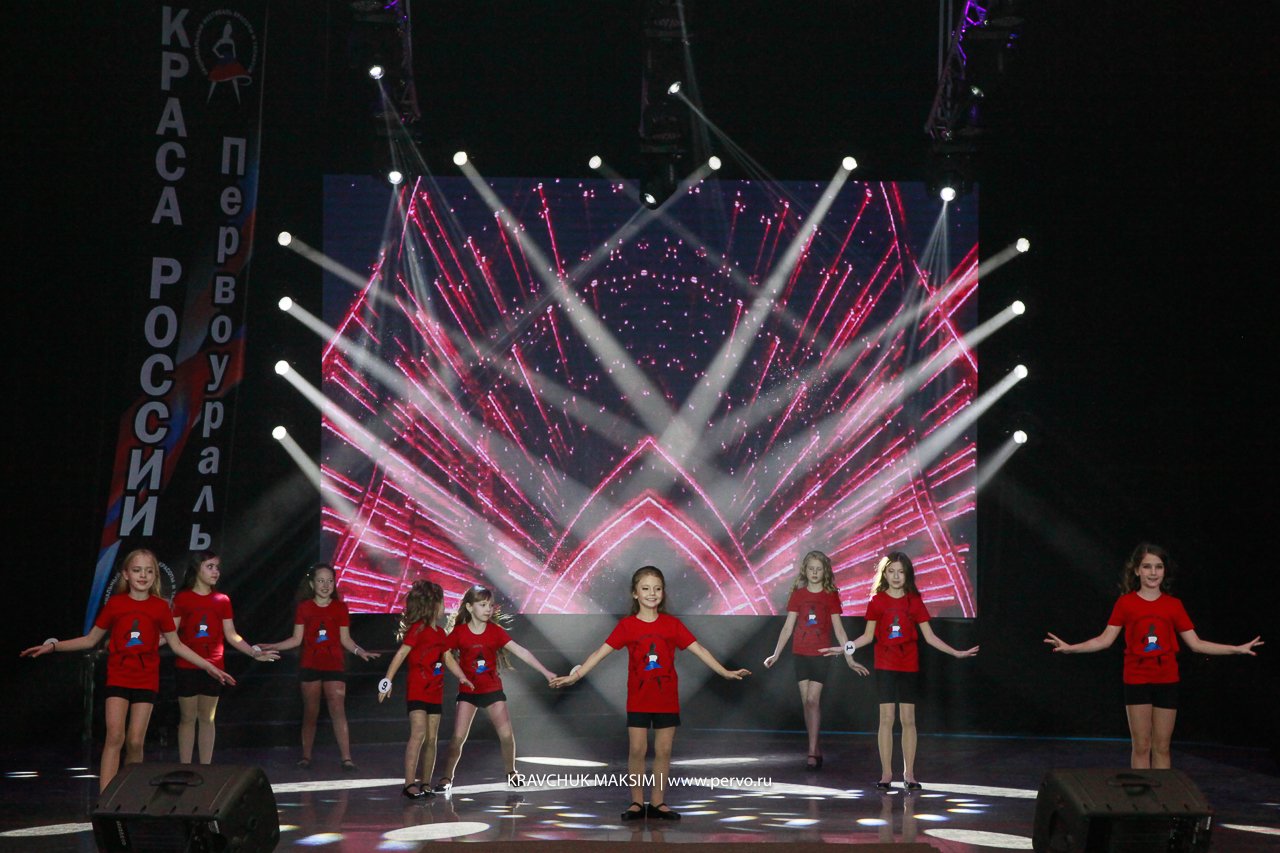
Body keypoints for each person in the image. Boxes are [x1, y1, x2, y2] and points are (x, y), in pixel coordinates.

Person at [21, 549, 235, 790]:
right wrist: (53, 647)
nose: (143, 575)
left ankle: (127, 792)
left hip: (146, 680)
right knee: (115, 737)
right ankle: (106, 796)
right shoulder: (116, 604)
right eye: (137, 570)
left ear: (155, 576)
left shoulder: (160, 607)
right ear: (126, 574)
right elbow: (90, 640)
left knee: (135, 741)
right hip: (118, 677)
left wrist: (209, 666)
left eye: (149, 571)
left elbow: (177, 645)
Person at [550, 566, 751, 821]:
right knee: (637, 749)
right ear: (635, 593)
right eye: (645, 588)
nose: (652, 593)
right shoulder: (627, 626)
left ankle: (657, 802)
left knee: (663, 751)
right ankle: (637, 802)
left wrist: (725, 672)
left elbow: (699, 649)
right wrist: (574, 676)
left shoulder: (672, 625)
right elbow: (599, 653)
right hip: (638, 699)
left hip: (667, 699)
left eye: (657, 588)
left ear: (663, 593)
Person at [1045, 543, 1262, 769]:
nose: (1153, 572)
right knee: (1141, 746)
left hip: (1167, 680)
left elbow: (1197, 644)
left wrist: (1236, 649)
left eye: (1158, 567)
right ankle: (1141, 792)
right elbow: (1104, 640)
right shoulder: (1125, 603)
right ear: (1137, 570)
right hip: (1136, 680)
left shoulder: (1173, 605)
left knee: (1161, 747)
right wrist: (1071, 648)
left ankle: (1161, 792)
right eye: (1147, 566)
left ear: (1164, 571)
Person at [824, 551, 977, 790]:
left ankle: (909, 774)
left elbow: (930, 637)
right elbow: (867, 636)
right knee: (886, 719)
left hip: (909, 664)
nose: (896, 576)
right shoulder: (877, 601)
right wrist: (844, 648)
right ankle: (886, 774)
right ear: (884, 574)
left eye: (901, 572)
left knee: (908, 720)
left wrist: (956, 652)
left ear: (907, 575)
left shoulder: (914, 601)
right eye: (892, 571)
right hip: (885, 664)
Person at [433, 585, 558, 792]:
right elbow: (444, 653)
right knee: (457, 738)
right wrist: (461, 675)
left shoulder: (495, 632)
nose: (488, 609)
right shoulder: (459, 633)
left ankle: (511, 772)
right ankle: (447, 777)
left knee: (507, 736)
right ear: (470, 607)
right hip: (468, 693)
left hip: (493, 691)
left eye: (491, 605)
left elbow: (521, 651)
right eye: (483, 605)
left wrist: (545, 672)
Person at [259, 564, 379, 771]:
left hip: (334, 665)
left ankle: (347, 759)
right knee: (311, 711)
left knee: (338, 710)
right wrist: (272, 646)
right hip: (310, 665)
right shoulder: (304, 608)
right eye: (321, 581)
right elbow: (296, 640)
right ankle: (306, 756)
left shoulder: (340, 608)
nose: (326, 585)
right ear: (312, 584)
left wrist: (361, 652)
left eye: (330, 581)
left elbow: (346, 639)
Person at [171, 550, 278, 764]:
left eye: (217, 568)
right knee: (187, 718)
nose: (215, 572)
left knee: (207, 718)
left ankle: (205, 767)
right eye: (209, 567)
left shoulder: (222, 600)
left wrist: (253, 652)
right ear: (196, 569)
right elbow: (170, 634)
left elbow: (231, 635)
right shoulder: (182, 598)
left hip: (215, 668)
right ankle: (185, 766)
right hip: (187, 666)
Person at [763, 550, 869, 769]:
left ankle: (811, 752)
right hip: (800, 653)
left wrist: (849, 657)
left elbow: (839, 630)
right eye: (811, 568)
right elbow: (788, 627)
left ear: (825, 572)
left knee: (813, 700)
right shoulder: (798, 595)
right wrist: (776, 653)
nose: (814, 572)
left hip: (822, 654)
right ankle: (815, 747)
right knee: (806, 703)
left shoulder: (830, 595)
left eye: (818, 569)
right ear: (805, 570)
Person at [377, 580, 472, 799]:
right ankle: (409, 783)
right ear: (431, 605)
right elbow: (401, 654)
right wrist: (387, 680)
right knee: (418, 732)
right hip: (417, 690)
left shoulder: (441, 633)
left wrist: (462, 676)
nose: (445, 607)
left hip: (435, 693)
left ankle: (426, 783)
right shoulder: (418, 630)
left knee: (431, 738)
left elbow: (448, 658)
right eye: (442, 602)